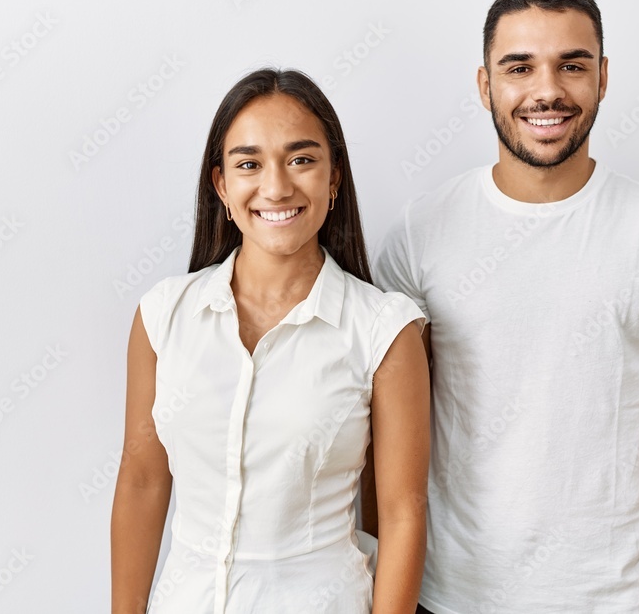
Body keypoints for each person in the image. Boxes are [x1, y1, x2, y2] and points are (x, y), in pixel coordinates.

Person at [371, 0, 639, 614]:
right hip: (446, 597)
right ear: (485, 84)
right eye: (520, 67)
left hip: (615, 601)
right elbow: (383, 433)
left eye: (571, 66)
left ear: (602, 77)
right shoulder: (419, 234)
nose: (547, 90)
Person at [111, 68, 430, 614]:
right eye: (249, 164)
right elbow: (142, 480)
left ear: (333, 178)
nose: (277, 186)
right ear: (222, 185)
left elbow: (403, 511)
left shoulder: (384, 330)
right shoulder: (163, 315)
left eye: (302, 159)